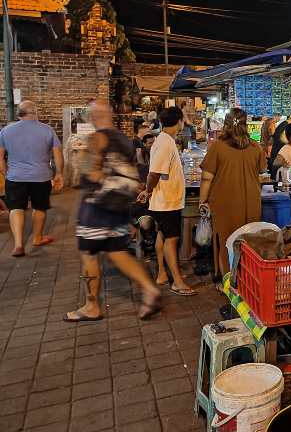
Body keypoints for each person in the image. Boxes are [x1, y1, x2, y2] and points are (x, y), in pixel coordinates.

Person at [64, 100, 161, 321]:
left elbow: (92, 174)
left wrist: (84, 167)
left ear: (93, 117)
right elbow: (132, 175)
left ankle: (91, 306)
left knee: (89, 254)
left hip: (96, 208)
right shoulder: (124, 140)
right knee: (116, 251)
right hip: (119, 208)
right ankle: (150, 289)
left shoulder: (98, 138)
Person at [199, 108, 267, 275]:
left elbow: (207, 178)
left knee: (226, 241)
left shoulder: (217, 147)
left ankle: (228, 281)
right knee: (248, 241)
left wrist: (202, 201)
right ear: (246, 125)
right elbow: (261, 174)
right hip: (252, 202)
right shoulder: (256, 147)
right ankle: (248, 277)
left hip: (224, 203)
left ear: (226, 124)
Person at [136, 106, 195, 296]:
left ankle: (162, 274)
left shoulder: (165, 141)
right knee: (172, 239)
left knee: (162, 235)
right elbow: (154, 173)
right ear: (179, 121)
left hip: (165, 200)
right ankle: (177, 282)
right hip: (166, 201)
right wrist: (147, 190)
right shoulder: (165, 143)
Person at [0, 100, 64, 257]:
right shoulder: (47, 130)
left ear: (19, 113)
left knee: (16, 208)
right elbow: (57, 154)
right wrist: (59, 174)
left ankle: (18, 245)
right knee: (39, 207)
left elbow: (0, 157)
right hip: (41, 177)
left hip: (15, 176)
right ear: (35, 112)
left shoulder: (6, 131)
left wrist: (5, 172)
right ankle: (37, 238)